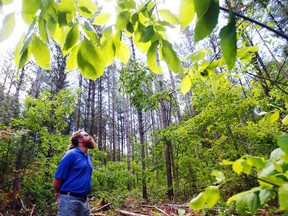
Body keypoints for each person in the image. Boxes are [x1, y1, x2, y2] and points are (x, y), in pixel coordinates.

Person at [53, 130, 96, 216]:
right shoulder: (71, 154)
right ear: (80, 140)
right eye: (86, 135)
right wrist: (58, 193)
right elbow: (58, 177)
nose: (90, 136)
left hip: (84, 200)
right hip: (69, 200)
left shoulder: (88, 157)